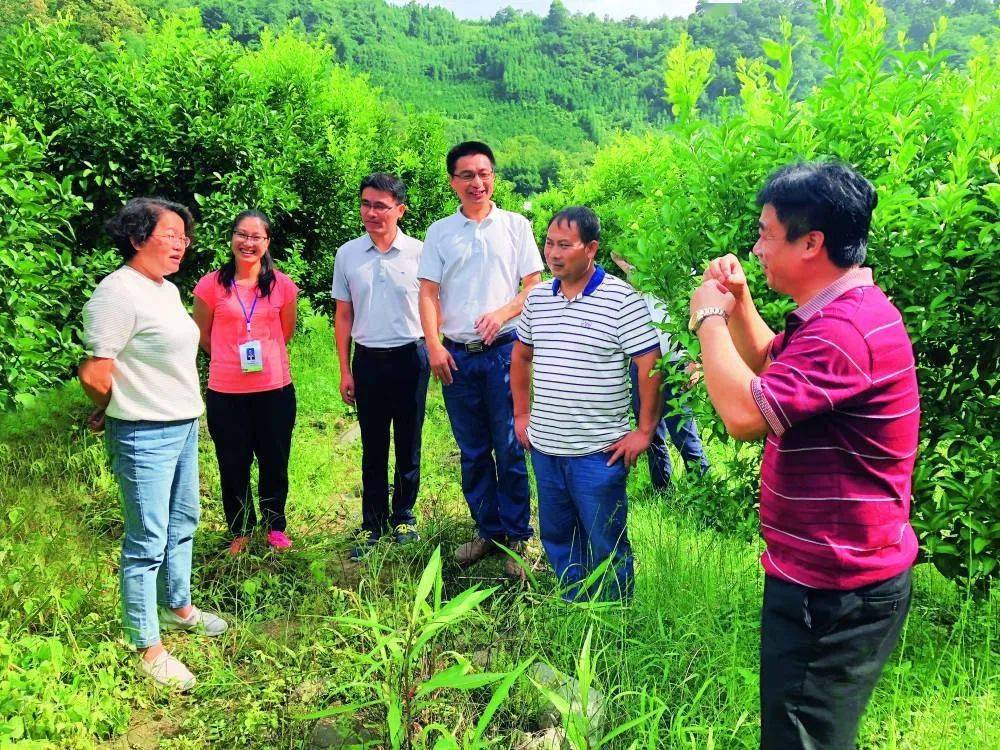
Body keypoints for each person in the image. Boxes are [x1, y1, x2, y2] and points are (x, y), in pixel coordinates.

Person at [689, 162, 919, 749]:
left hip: (836, 588)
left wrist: (709, 317)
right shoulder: (835, 315)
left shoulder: (845, 331)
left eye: (766, 233)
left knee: (801, 739)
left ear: (811, 242)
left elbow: (745, 417)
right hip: (832, 574)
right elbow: (770, 362)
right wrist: (739, 303)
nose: (756, 248)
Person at [79, 197, 228, 692]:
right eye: (171, 235)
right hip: (144, 431)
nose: (181, 244)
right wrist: (114, 406)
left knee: (183, 521)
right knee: (146, 539)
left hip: (183, 423)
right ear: (138, 238)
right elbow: (96, 371)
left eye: (184, 237)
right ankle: (146, 645)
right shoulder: (117, 294)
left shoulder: (164, 289)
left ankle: (178, 605)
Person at [511, 207, 662, 599]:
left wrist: (644, 431)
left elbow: (650, 364)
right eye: (548, 243)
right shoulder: (538, 299)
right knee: (559, 534)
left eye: (565, 245)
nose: (553, 254)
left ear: (591, 248)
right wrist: (521, 413)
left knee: (605, 538)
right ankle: (573, 601)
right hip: (545, 447)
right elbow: (521, 356)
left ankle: (613, 617)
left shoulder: (622, 299)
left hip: (599, 451)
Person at [417, 141, 543, 577]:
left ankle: (517, 537)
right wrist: (433, 344)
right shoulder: (440, 233)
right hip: (457, 357)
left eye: (484, 173)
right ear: (453, 182)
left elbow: (533, 286)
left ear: (494, 177)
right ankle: (486, 531)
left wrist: (503, 312)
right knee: (472, 451)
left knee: (509, 447)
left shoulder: (515, 226)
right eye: (467, 175)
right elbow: (429, 292)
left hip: (507, 352)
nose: (477, 182)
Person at [332, 173, 429, 560]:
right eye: (366, 204)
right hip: (368, 359)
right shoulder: (348, 254)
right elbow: (343, 314)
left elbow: (434, 306)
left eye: (381, 206)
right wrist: (344, 368)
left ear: (400, 210)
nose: (372, 212)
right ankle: (371, 523)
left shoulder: (421, 253)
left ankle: (404, 515)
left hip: (411, 356)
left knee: (409, 440)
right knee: (373, 444)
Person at [193, 211, 299, 555]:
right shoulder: (210, 285)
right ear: (231, 238)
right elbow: (202, 335)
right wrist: (228, 358)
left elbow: (286, 333)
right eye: (242, 234)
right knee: (233, 463)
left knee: (274, 461)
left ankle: (274, 527)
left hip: (274, 391)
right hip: (226, 392)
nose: (248, 243)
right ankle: (239, 530)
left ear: (267, 243)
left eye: (257, 237)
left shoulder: (283, 285)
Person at [610, 252, 710, 488]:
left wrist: (696, 363)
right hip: (643, 365)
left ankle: (704, 493)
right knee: (650, 431)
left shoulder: (682, 284)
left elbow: (704, 323)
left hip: (676, 365)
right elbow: (620, 258)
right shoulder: (642, 287)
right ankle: (661, 490)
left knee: (683, 434)